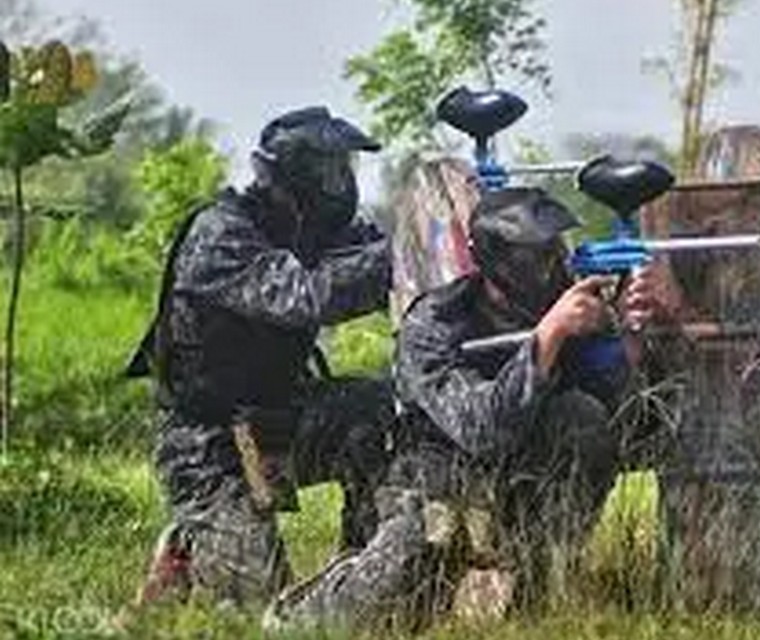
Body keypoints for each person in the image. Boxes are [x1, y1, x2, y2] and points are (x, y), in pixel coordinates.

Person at [264, 186, 682, 631]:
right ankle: (309, 605)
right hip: (433, 485)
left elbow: (629, 420)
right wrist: (549, 338)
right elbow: (483, 430)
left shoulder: (571, 307)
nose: (555, 266)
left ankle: (539, 581)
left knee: (581, 419)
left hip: (521, 479)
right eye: (539, 257)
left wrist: (632, 340)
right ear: (502, 265)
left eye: (556, 250)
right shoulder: (435, 325)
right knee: (390, 598)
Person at [124, 107, 395, 608]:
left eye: (346, 170)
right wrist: (398, 257)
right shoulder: (221, 232)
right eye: (334, 170)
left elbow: (382, 262)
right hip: (209, 444)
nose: (344, 183)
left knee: (381, 411)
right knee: (258, 607)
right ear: (299, 174)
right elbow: (303, 295)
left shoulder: (316, 230)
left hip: (280, 417)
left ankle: (363, 567)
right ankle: (186, 547)